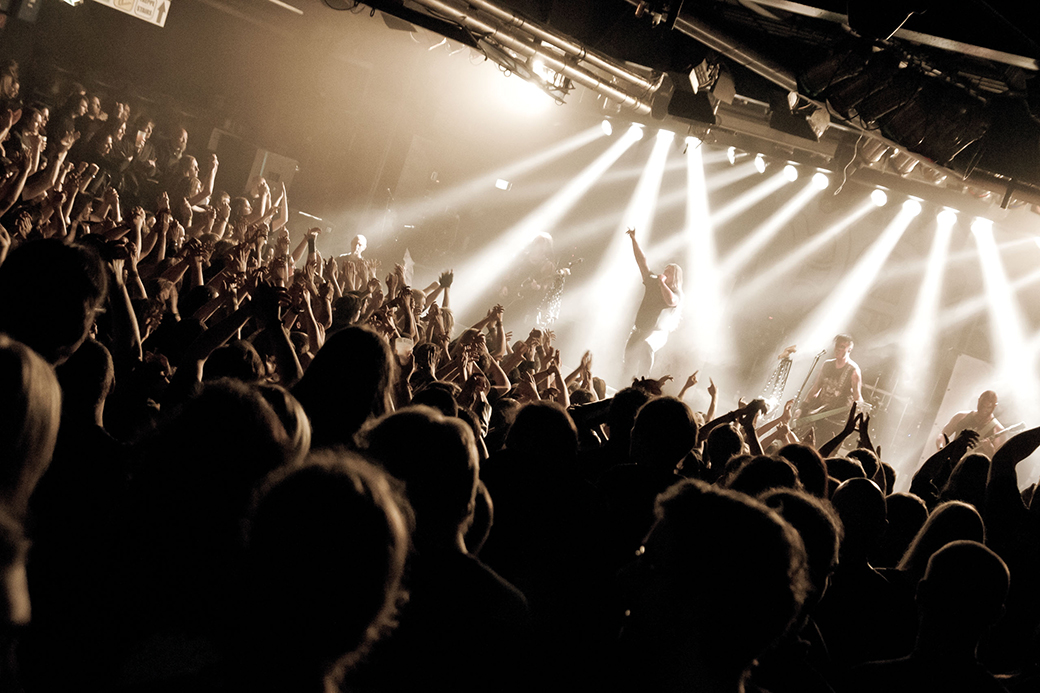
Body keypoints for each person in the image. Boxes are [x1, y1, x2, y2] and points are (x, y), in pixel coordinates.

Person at [623, 228, 682, 379]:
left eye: (668, 272)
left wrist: (663, 283)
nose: (664, 273)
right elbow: (642, 263)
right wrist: (634, 240)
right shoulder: (654, 282)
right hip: (640, 329)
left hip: (658, 333)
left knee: (646, 347)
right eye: (665, 270)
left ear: (674, 277)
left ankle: (643, 380)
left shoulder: (675, 293)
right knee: (628, 362)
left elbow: (671, 301)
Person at [794, 333, 862, 441]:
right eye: (837, 346)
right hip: (819, 415)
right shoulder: (827, 365)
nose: (838, 349)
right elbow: (816, 388)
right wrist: (802, 407)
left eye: (842, 347)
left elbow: (857, 397)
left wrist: (857, 419)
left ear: (849, 350)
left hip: (836, 420)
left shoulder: (853, 370)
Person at [936, 390, 1005, 457]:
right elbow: (943, 434)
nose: (984, 410)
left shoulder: (998, 430)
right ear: (979, 401)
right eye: (982, 406)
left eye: (988, 407)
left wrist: (990, 450)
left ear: (994, 406)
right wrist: (942, 449)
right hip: (952, 460)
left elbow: (998, 461)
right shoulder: (961, 416)